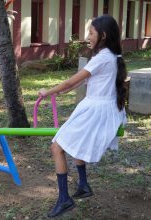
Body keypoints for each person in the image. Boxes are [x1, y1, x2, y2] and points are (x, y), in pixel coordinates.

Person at [37, 15, 127, 217]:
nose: (88, 36)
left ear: (102, 35)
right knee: (77, 143)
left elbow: (71, 81)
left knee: (56, 146)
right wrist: (63, 91)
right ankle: (84, 186)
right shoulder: (109, 55)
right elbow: (83, 82)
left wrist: (48, 91)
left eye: (91, 33)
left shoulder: (103, 57)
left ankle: (64, 199)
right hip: (100, 107)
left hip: (96, 109)